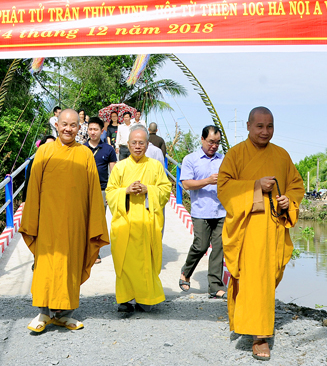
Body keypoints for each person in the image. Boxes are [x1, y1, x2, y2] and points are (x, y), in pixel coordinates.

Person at [217, 107, 304, 361]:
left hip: (273, 229)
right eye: (259, 126)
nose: (265, 131)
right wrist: (255, 186)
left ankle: (247, 322)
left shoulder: (282, 155)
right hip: (246, 229)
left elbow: (296, 185)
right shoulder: (235, 154)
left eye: (270, 126)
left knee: (264, 280)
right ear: (248, 126)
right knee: (252, 280)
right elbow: (224, 187)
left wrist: (289, 201)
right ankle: (260, 337)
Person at [20, 109, 109, 332]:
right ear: (57, 125)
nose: (68, 129)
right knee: (46, 265)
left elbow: (93, 191)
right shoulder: (44, 151)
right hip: (47, 220)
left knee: (71, 265)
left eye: (73, 125)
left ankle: (65, 314)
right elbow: (33, 187)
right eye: (64, 124)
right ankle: (43, 312)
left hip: (74, 222)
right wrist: (31, 220)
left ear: (79, 128)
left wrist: (93, 222)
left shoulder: (85, 154)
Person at [106, 124, 171, 313]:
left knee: (146, 262)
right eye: (134, 143)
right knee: (124, 261)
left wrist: (148, 190)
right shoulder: (120, 167)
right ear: (127, 144)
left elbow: (165, 190)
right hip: (125, 222)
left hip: (147, 222)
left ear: (147, 145)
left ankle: (146, 298)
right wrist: (125, 191)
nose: (137, 146)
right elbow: (110, 192)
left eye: (141, 143)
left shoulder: (155, 166)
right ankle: (125, 299)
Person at [179, 126, 226, 299]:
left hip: (221, 211)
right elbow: (186, 184)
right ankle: (186, 272)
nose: (214, 146)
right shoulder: (191, 159)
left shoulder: (224, 160)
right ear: (202, 139)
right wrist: (207, 181)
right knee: (201, 246)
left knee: (219, 248)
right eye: (211, 142)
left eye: (217, 143)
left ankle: (215, 286)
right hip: (201, 210)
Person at [86, 117, 118, 264]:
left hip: (101, 189)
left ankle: (95, 252)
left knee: (98, 221)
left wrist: (112, 192)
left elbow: (113, 172)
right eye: (90, 129)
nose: (93, 132)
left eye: (96, 129)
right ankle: (84, 249)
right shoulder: (81, 148)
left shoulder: (108, 149)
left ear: (102, 130)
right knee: (83, 220)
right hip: (84, 189)